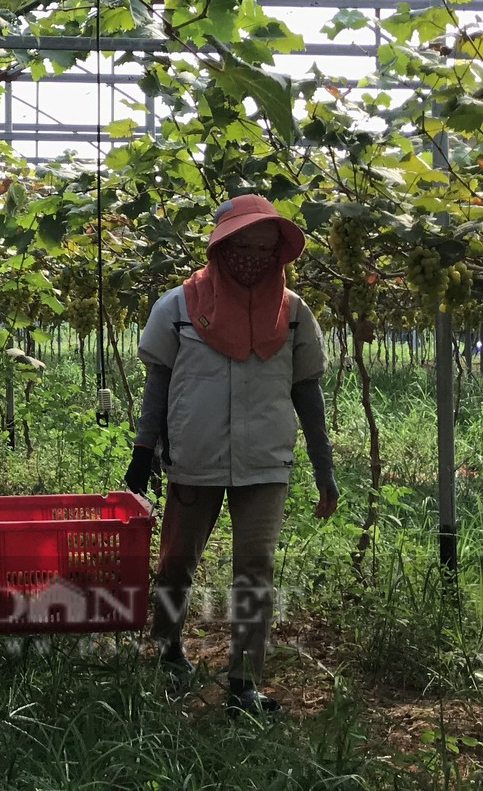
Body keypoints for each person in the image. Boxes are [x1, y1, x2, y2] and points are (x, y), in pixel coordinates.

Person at [124, 194, 338, 716]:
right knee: (177, 559)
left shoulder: (291, 313)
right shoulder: (177, 307)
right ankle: (168, 645)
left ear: (278, 254)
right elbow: (158, 386)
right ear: (221, 246)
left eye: (265, 248)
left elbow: (307, 390)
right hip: (194, 455)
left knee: (256, 567)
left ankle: (244, 684)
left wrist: (323, 466)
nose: (254, 257)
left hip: (265, 460)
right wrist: (143, 452)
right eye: (243, 245)